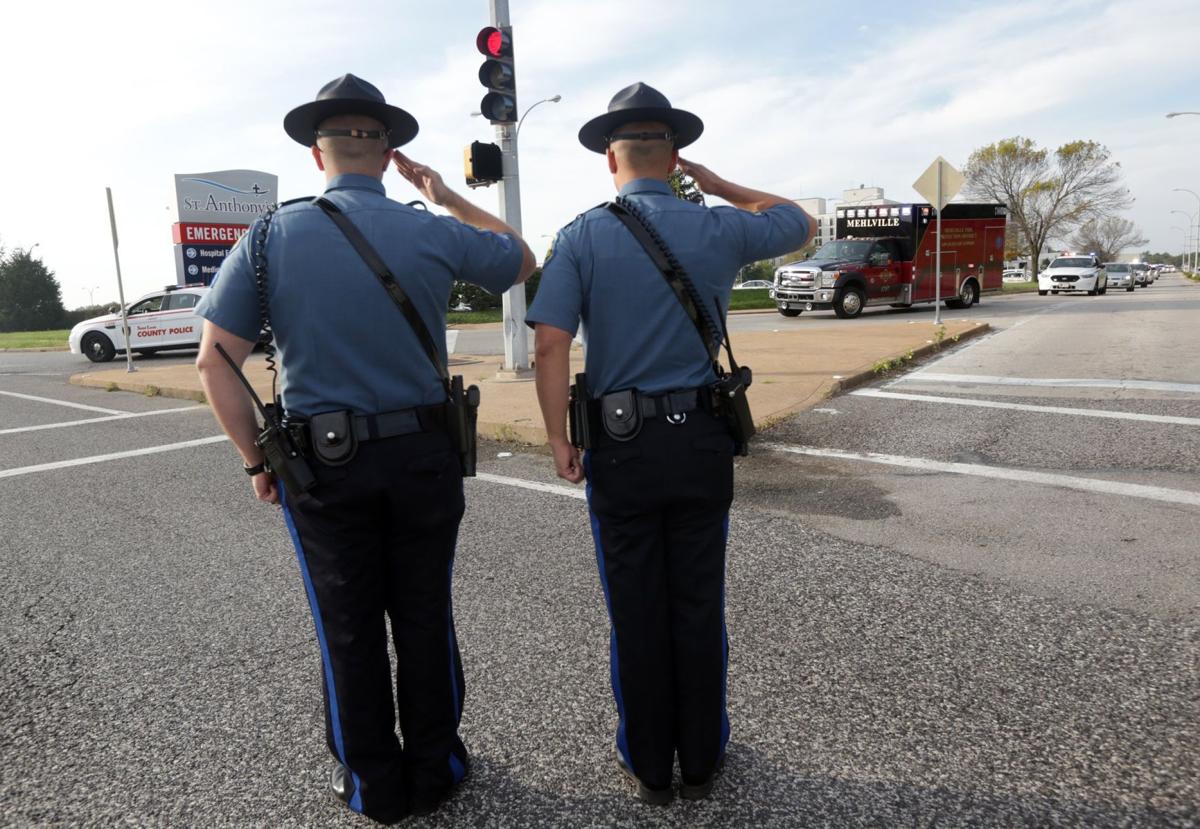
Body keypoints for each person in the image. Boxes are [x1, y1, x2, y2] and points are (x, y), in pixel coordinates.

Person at [195, 73, 535, 824]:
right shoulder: (428, 229)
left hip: (324, 465)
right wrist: (445, 196)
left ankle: (373, 784)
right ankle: (438, 765)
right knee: (423, 613)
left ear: (318, 154)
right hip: (423, 456)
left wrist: (257, 461)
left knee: (346, 627)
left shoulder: (270, 236)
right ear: (386, 154)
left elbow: (214, 362)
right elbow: (520, 258)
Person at [526, 82, 813, 805]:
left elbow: (550, 344)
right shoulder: (719, 227)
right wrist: (720, 185)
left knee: (636, 607)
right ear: (675, 156)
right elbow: (799, 221)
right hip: (700, 443)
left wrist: (558, 437)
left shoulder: (582, 235)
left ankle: (651, 764)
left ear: (610, 159)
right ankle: (703, 758)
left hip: (620, 446)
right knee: (697, 601)